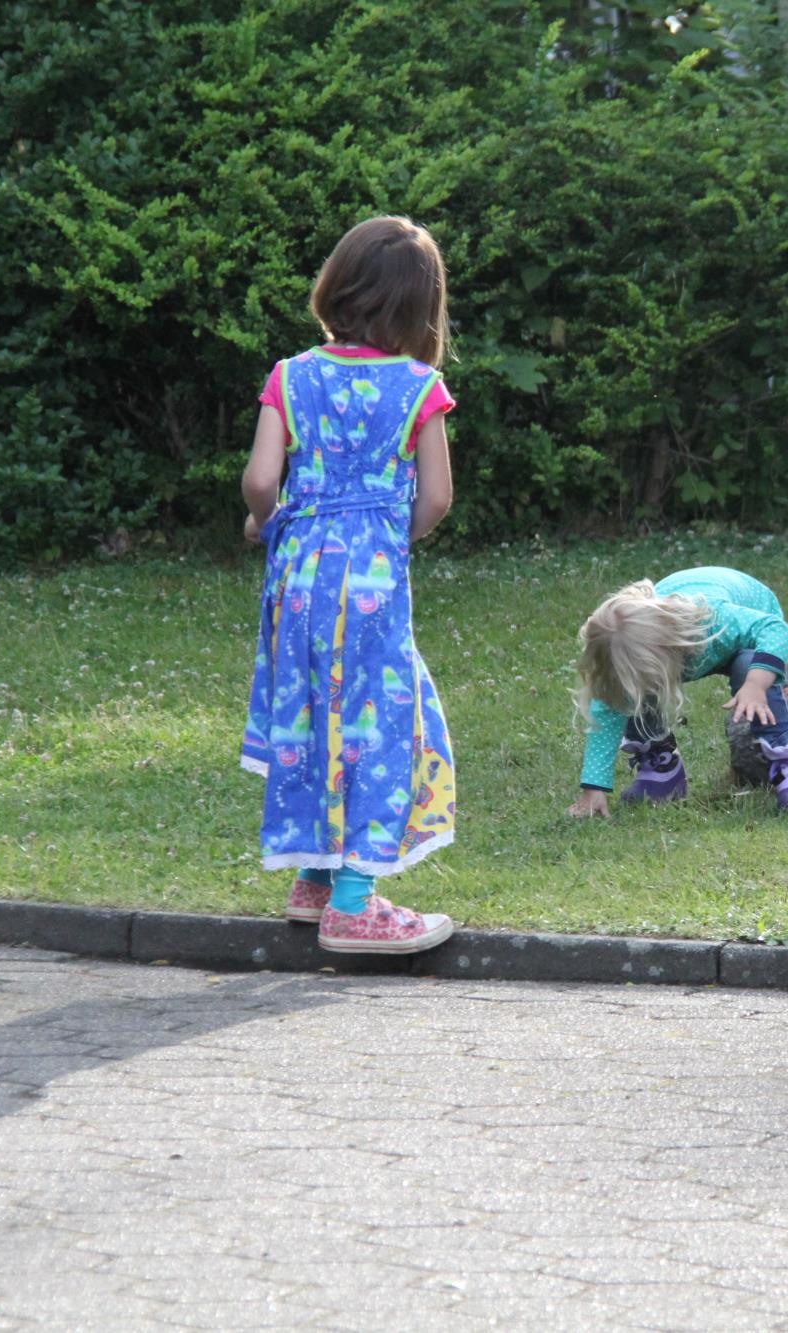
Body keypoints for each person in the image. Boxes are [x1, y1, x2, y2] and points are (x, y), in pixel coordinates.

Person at [240, 216, 459, 954]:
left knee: (312, 711)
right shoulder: (420, 388)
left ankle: (313, 878)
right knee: (379, 721)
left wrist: (266, 523)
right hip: (372, 586)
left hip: (298, 583)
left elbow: (261, 480)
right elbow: (437, 498)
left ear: (336, 286)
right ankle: (355, 902)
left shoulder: (291, 375)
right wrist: (392, 537)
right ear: (420, 308)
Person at [566, 569, 788, 817]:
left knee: (749, 667)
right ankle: (661, 767)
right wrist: (593, 789)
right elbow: (607, 711)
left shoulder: (717, 618)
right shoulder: (633, 653)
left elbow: (775, 629)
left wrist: (756, 684)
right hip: (674, 647)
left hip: (744, 633)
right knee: (632, 688)